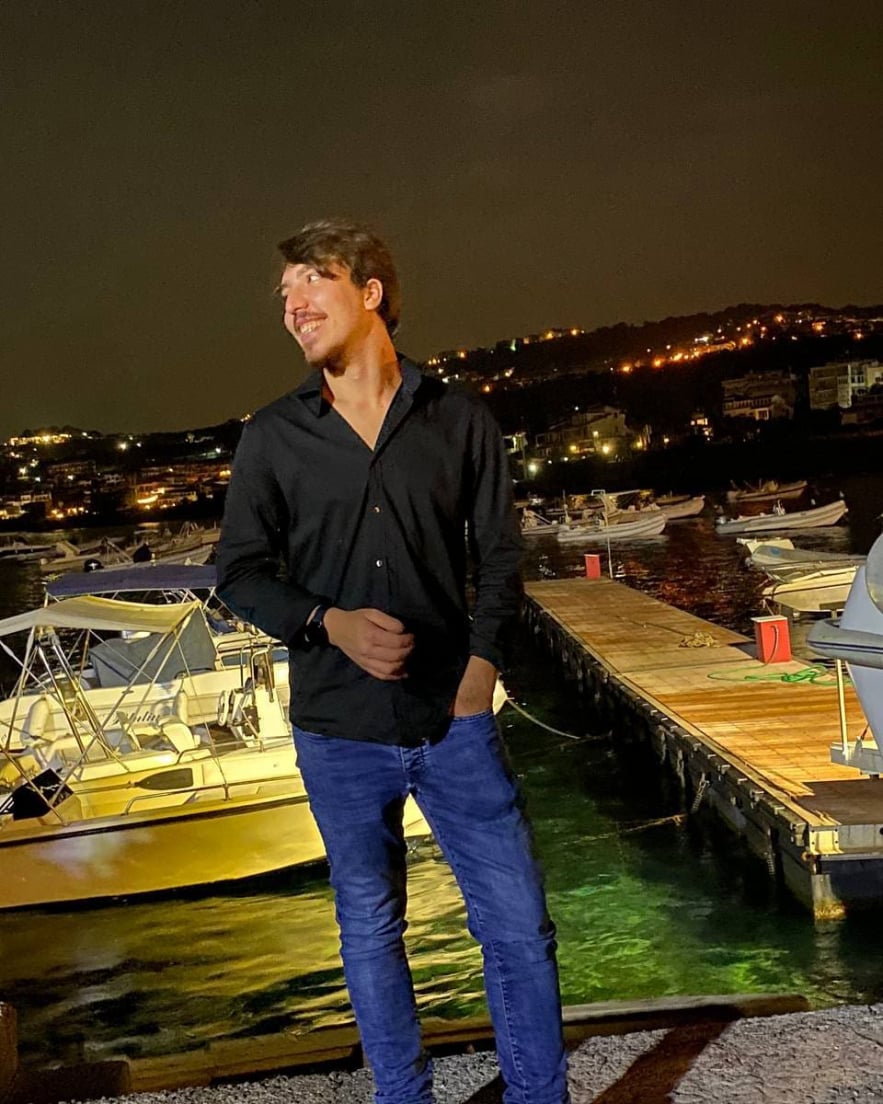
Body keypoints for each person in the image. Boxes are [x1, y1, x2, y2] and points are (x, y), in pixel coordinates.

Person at [215, 219, 569, 1104]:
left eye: (312, 280)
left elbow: (499, 559)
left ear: (370, 292)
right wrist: (325, 622)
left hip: (453, 719)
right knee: (371, 930)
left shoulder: (459, 419)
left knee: (518, 929)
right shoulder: (272, 436)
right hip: (337, 730)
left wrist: (481, 670)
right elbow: (240, 574)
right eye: (284, 292)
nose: (293, 305)